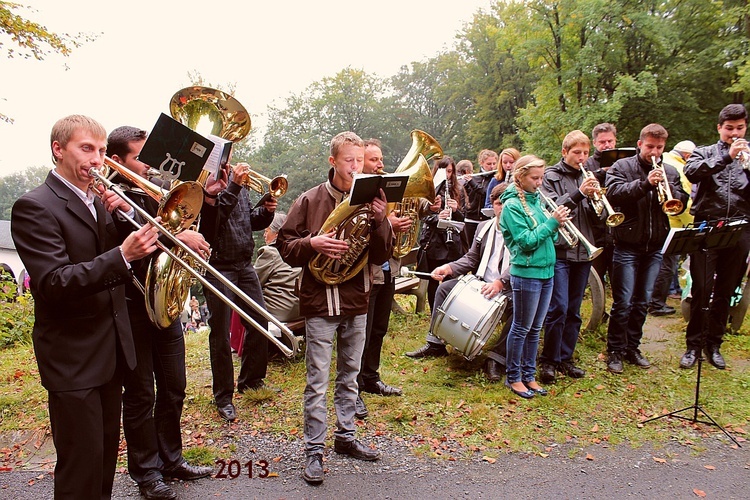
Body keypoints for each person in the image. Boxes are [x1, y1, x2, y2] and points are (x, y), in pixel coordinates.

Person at [10, 115, 159, 498]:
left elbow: (119, 265)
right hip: (73, 358)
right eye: (86, 148)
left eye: (103, 151)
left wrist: (123, 226)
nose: (98, 160)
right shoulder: (34, 206)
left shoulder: (98, 201)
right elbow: (54, 282)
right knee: (81, 468)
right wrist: (121, 254)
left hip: (110, 352)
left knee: (104, 464)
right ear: (58, 150)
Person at [276, 131, 392, 485]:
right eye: (348, 162)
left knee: (351, 374)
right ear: (333, 162)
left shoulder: (372, 198)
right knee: (317, 380)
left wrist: (381, 221)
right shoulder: (310, 200)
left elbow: (382, 255)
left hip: (357, 298)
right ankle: (314, 449)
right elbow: (285, 245)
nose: (355, 168)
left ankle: (346, 437)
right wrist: (313, 243)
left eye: (359, 161)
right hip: (319, 301)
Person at [104, 126, 213, 499]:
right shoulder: (108, 196)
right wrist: (177, 239)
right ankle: (146, 473)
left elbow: (180, 228)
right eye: (138, 157)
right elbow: (129, 245)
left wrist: (191, 244)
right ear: (117, 161)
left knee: (174, 388)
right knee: (139, 395)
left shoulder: (155, 193)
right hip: (132, 308)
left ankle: (171, 459)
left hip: (163, 302)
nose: (147, 165)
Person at [604, 123, 689, 374]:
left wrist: (670, 190)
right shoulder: (622, 167)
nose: (654, 152)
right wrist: (645, 184)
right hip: (627, 245)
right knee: (623, 301)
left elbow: (681, 201)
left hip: (655, 247)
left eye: (659, 148)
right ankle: (615, 351)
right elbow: (615, 195)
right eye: (650, 146)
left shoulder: (671, 170)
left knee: (642, 302)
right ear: (640, 144)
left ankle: (633, 347)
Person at [406, 184, 513, 381]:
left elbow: (519, 263)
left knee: (518, 307)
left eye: (507, 203)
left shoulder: (520, 229)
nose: (503, 208)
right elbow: (472, 258)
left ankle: (497, 358)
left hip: (509, 287)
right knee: (445, 288)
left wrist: (501, 282)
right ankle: (435, 344)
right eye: (499, 204)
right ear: (493, 205)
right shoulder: (484, 227)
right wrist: (449, 268)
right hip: (482, 281)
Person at [200, 160, 278, 423]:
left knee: (259, 321)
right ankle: (223, 396)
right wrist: (232, 184)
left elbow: (248, 221)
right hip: (218, 264)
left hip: (244, 264)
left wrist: (265, 212)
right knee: (221, 332)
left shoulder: (240, 184)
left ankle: (251, 381)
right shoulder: (204, 183)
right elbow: (215, 220)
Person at [681, 104, 750, 370]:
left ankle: (714, 344)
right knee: (702, 288)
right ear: (719, 128)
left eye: (739, 128)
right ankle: (693, 345)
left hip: (741, 229)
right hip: (708, 227)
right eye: (729, 128)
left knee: (726, 291)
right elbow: (692, 173)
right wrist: (726, 158)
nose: (734, 133)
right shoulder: (705, 152)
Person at [499, 155, 568, 399]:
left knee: (536, 328)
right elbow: (525, 242)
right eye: (535, 178)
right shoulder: (511, 207)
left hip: (546, 270)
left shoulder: (536, 200)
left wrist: (556, 229)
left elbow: (548, 238)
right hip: (526, 273)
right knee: (521, 327)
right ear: (520, 177)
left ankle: (529, 375)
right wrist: (551, 224)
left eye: (542, 177)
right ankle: (514, 377)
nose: (540, 183)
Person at [538, 131, 601, 384]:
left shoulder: (589, 177)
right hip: (561, 250)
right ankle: (549, 360)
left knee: (574, 310)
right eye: (577, 153)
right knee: (559, 308)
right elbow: (553, 208)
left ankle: (566, 358)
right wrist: (580, 194)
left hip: (584, 251)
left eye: (586, 153)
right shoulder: (551, 176)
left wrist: (598, 199)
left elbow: (597, 217)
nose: (582, 158)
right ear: (565, 152)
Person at [355, 139, 412, 419]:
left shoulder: (384, 190)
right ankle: (352, 388)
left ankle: (370, 377)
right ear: (360, 161)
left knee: (378, 328)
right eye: (374, 160)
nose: (380, 164)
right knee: (360, 334)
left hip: (388, 268)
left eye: (380, 159)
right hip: (366, 272)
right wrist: (390, 224)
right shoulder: (357, 192)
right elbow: (360, 229)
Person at [409, 156, 467, 318]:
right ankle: (435, 313)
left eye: (450, 172)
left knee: (451, 278)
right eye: (444, 171)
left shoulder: (458, 190)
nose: (447, 175)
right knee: (434, 279)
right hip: (434, 241)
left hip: (452, 242)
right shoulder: (430, 189)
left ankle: (450, 313)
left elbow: (464, 219)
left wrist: (456, 211)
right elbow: (423, 216)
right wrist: (437, 217)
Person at [647, 140, 696, 317]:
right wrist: (692, 223)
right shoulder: (677, 167)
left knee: (663, 264)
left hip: (665, 223)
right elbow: (687, 200)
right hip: (672, 224)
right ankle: (656, 304)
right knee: (667, 265)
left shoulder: (668, 162)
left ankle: (652, 301)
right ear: (687, 155)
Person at [586, 123, 619, 282]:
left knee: (619, 278)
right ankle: (599, 307)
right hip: (596, 230)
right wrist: (602, 173)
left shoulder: (623, 162)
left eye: (610, 141)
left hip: (619, 229)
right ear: (594, 143)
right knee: (597, 279)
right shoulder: (587, 163)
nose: (607, 145)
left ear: (615, 141)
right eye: (602, 142)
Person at [254, 212, 301, 322]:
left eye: (267, 231)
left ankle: (238, 338)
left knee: (240, 301)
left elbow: (254, 282)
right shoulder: (298, 249)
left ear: (277, 233)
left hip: (278, 311)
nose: (264, 235)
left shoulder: (270, 252)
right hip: (299, 309)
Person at [462, 149, 498, 242]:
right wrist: (465, 183)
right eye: (489, 164)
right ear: (481, 163)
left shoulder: (496, 179)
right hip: (471, 218)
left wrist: (472, 183)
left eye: (494, 163)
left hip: (487, 218)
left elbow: (486, 193)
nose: (492, 167)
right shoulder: (474, 177)